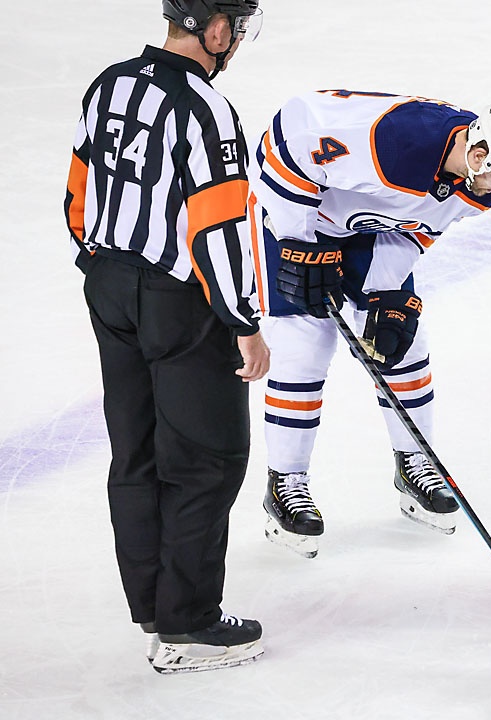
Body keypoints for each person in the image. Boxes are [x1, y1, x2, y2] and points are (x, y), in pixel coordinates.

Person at [248, 92, 491, 557]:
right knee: (305, 345)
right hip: (292, 213)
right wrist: (296, 240)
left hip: (367, 227)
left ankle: (414, 460)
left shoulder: (478, 184)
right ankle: (285, 481)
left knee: (402, 343)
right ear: (479, 154)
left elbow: (418, 230)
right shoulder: (394, 143)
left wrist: (386, 294)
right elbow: (287, 146)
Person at [63, 1, 269, 673]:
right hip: (177, 304)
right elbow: (218, 229)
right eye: (235, 27)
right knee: (207, 459)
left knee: (137, 452)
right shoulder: (206, 108)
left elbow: (77, 192)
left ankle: (152, 607)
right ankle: (188, 623)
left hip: (110, 286)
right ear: (215, 30)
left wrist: (102, 266)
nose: (234, 40)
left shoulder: (110, 83)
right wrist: (243, 324)